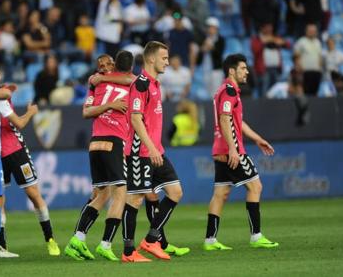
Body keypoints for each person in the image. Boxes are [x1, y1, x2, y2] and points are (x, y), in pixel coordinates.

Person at [0, 62, 60, 256]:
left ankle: (49, 238)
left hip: (15, 150)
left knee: (33, 194)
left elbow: (5, 93)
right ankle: (0, 244)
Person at [63, 51, 135, 262]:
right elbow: (86, 112)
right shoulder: (105, 85)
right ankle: (106, 244)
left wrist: (101, 80)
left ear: (114, 65)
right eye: (100, 65)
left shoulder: (100, 83)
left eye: (108, 63)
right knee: (120, 194)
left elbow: (129, 77)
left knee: (101, 195)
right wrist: (110, 106)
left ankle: (77, 239)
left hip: (96, 144)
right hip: (112, 141)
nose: (104, 67)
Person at [204, 54, 278, 251]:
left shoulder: (225, 90)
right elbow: (225, 118)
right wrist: (233, 149)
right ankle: (256, 236)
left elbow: (236, 121)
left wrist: (257, 138)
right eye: (243, 68)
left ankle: (210, 240)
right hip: (231, 150)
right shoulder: (229, 90)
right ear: (232, 71)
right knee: (256, 187)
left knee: (221, 193)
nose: (247, 72)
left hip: (220, 149)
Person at [121, 41, 187, 263]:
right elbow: (135, 119)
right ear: (150, 59)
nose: (167, 62)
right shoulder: (140, 85)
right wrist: (150, 147)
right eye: (164, 58)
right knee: (135, 199)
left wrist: (154, 148)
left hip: (155, 151)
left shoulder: (155, 84)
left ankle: (151, 239)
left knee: (175, 192)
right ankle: (128, 252)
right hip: (141, 152)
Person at [294, 23, 323, 95]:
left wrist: (320, 68)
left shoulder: (318, 42)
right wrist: (299, 67)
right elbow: (296, 56)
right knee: (306, 93)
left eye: (314, 31)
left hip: (316, 71)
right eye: (310, 31)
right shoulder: (301, 41)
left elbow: (319, 56)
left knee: (314, 93)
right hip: (305, 72)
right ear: (306, 31)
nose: (312, 33)